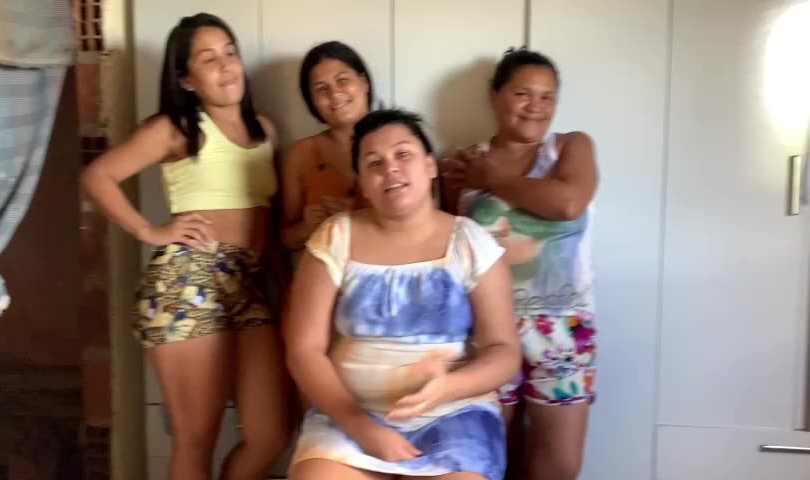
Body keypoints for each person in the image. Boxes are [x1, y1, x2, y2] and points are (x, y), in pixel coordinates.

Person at [79, 13, 290, 480]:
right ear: (186, 79)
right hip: (187, 282)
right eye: (208, 59)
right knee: (196, 440)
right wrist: (150, 231)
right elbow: (98, 176)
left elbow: (269, 222)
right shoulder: (176, 127)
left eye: (230, 53)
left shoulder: (266, 131)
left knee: (271, 435)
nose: (226, 65)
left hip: (247, 286)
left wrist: (285, 284)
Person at [283, 109, 520, 480]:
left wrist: (448, 387)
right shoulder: (334, 236)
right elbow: (304, 350)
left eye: (403, 154)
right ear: (362, 183)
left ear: (430, 166)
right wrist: (361, 427)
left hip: (456, 415)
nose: (390, 168)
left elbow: (504, 351)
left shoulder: (471, 242)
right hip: (349, 416)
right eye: (374, 163)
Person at [440, 48, 598, 480]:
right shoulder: (462, 163)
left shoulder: (570, 147)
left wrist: (493, 179)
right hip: (488, 330)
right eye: (523, 94)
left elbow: (568, 203)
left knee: (559, 466)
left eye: (547, 97)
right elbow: (446, 249)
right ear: (495, 97)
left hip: (564, 329)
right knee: (491, 460)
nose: (536, 107)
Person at [281, 41, 374, 253]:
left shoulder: (399, 139)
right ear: (312, 101)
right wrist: (307, 228)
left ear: (364, 82)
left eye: (342, 80)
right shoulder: (301, 154)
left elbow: (426, 219)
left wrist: (362, 215)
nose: (334, 93)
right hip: (323, 270)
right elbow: (285, 239)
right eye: (321, 89)